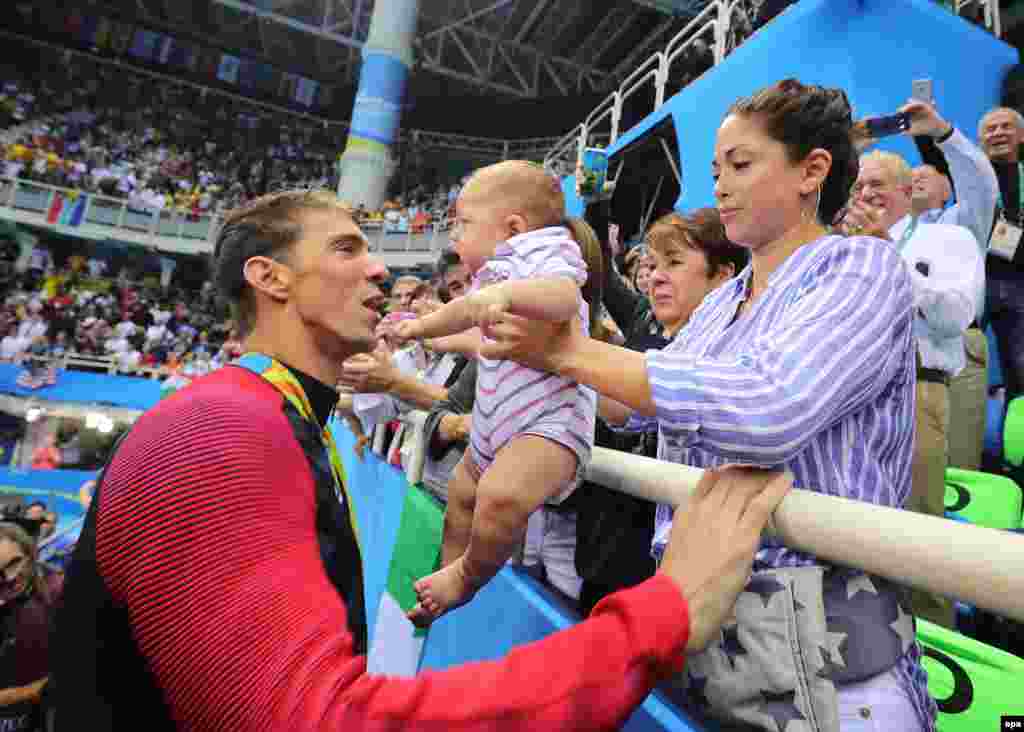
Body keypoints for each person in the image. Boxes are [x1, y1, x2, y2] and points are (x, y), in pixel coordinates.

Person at [50, 188, 791, 730]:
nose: (379, 270)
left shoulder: (269, 415)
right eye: (347, 249)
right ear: (268, 279)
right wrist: (661, 615)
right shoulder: (218, 432)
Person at [481, 79, 935, 731]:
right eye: (716, 168)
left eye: (741, 165)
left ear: (812, 171)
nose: (719, 185)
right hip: (710, 637)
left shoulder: (863, 268)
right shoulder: (723, 301)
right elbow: (629, 408)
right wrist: (524, 344)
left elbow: (768, 410)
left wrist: (569, 353)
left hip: (835, 670)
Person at [393, 161, 597, 624]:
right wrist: (418, 329)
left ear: (514, 227)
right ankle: (443, 577)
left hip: (549, 423)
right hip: (493, 424)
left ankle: (465, 577)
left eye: (464, 224)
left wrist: (509, 297)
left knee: (500, 496)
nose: (454, 238)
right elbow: (461, 313)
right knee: (462, 496)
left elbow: (566, 298)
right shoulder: (489, 280)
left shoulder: (546, 253)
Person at [843, 148, 982, 629]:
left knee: (917, 536)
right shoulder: (847, 248)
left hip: (917, 392)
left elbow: (955, 316)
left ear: (909, 191)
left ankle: (934, 653)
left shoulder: (949, 238)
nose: (865, 195)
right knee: (856, 533)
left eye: (876, 184)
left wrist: (885, 251)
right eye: (859, 187)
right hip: (851, 400)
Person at [978, 106, 1024, 405]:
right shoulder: (971, 178)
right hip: (973, 284)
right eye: (991, 129)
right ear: (981, 140)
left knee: (1020, 375)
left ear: (1021, 135)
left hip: (1020, 285)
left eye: (1005, 126)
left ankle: (1016, 449)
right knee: (959, 367)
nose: (998, 133)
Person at [1, 522, 62, 732]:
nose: (9, 576)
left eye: (14, 562)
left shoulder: (55, 593)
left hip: (37, 718)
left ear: (30, 556)